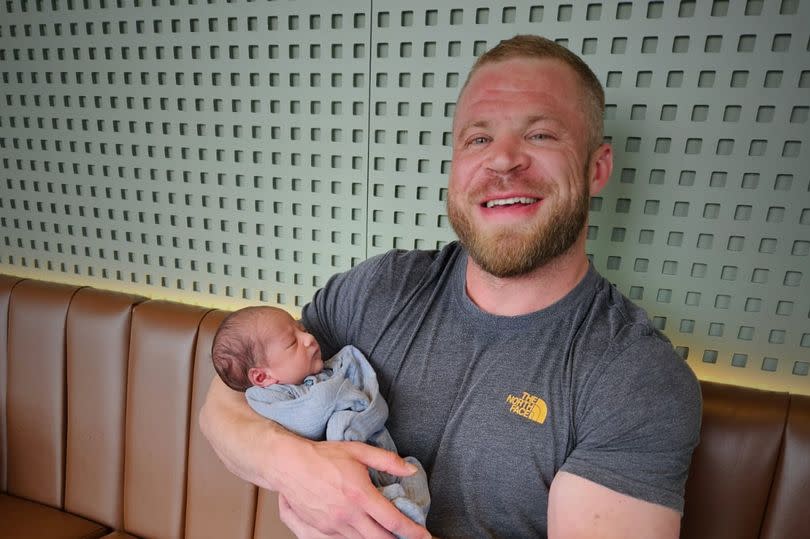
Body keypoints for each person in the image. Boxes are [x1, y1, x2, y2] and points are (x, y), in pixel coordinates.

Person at [200, 34, 702, 538]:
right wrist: (296, 468)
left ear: (597, 168)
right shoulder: (381, 287)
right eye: (478, 139)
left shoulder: (634, 378)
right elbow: (223, 406)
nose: (503, 160)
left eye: (541, 135)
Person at [210, 306, 430, 527]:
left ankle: (413, 512)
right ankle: (396, 511)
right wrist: (342, 391)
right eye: (292, 343)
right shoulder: (269, 397)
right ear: (262, 376)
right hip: (349, 475)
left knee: (413, 470)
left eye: (302, 329)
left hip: (383, 456)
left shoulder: (315, 373)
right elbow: (310, 418)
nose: (308, 338)